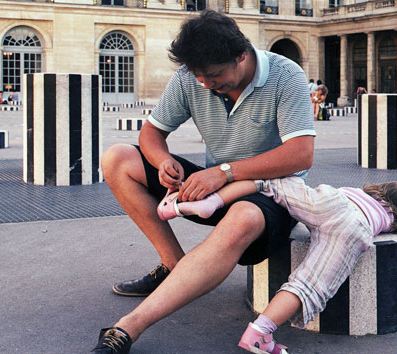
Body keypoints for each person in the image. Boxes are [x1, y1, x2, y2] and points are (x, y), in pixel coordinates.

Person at [92, 11, 316, 353]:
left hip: (271, 195)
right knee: (117, 158)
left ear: (241, 55)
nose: (205, 84)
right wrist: (162, 161)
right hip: (213, 190)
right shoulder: (191, 77)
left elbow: (300, 154)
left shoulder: (286, 76)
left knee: (243, 215)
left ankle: (129, 327)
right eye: (198, 76)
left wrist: (225, 172)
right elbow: (152, 132)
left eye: (214, 75)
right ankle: (175, 267)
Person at [156, 178, 397, 354]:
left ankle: (210, 203)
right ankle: (260, 333)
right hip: (353, 228)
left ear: (378, 189)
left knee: (266, 184)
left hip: (328, 200)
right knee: (307, 284)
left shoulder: (358, 192)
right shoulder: (394, 215)